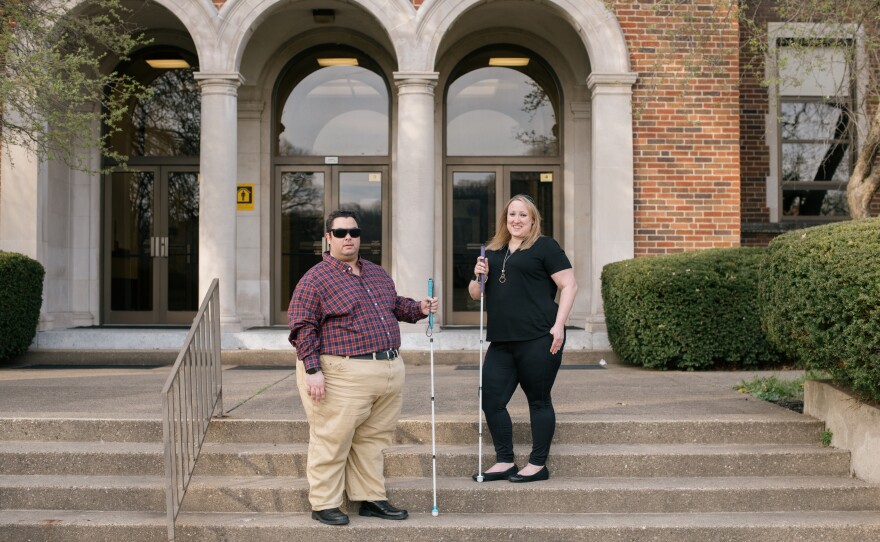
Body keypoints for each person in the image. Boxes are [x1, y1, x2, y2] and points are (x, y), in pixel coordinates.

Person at [288, 209, 438, 525]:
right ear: (328, 238)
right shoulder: (314, 279)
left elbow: (393, 305)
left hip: (386, 370)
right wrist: (313, 370)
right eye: (340, 233)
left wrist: (419, 308)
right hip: (341, 373)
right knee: (332, 439)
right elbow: (303, 327)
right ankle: (324, 503)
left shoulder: (375, 272)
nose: (348, 239)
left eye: (353, 233)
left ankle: (370, 498)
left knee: (373, 441)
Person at [469, 194, 577, 483]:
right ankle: (505, 460)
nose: (516, 220)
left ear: (532, 220)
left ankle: (538, 464)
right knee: (491, 399)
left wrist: (559, 325)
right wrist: (477, 276)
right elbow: (476, 294)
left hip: (540, 336)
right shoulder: (492, 251)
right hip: (502, 341)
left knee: (538, 400)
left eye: (522, 215)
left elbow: (569, 285)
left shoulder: (545, 247)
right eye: (511, 214)